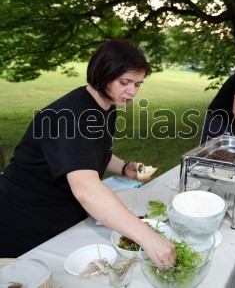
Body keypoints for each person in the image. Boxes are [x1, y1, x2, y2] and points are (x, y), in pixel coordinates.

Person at [0, 39, 176, 266]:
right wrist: (148, 237)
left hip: (64, 213)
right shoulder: (69, 117)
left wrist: (123, 166)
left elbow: (88, 153)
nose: (132, 92)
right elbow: (86, 189)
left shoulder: (106, 106)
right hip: (27, 220)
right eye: (125, 82)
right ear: (102, 75)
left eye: (138, 84)